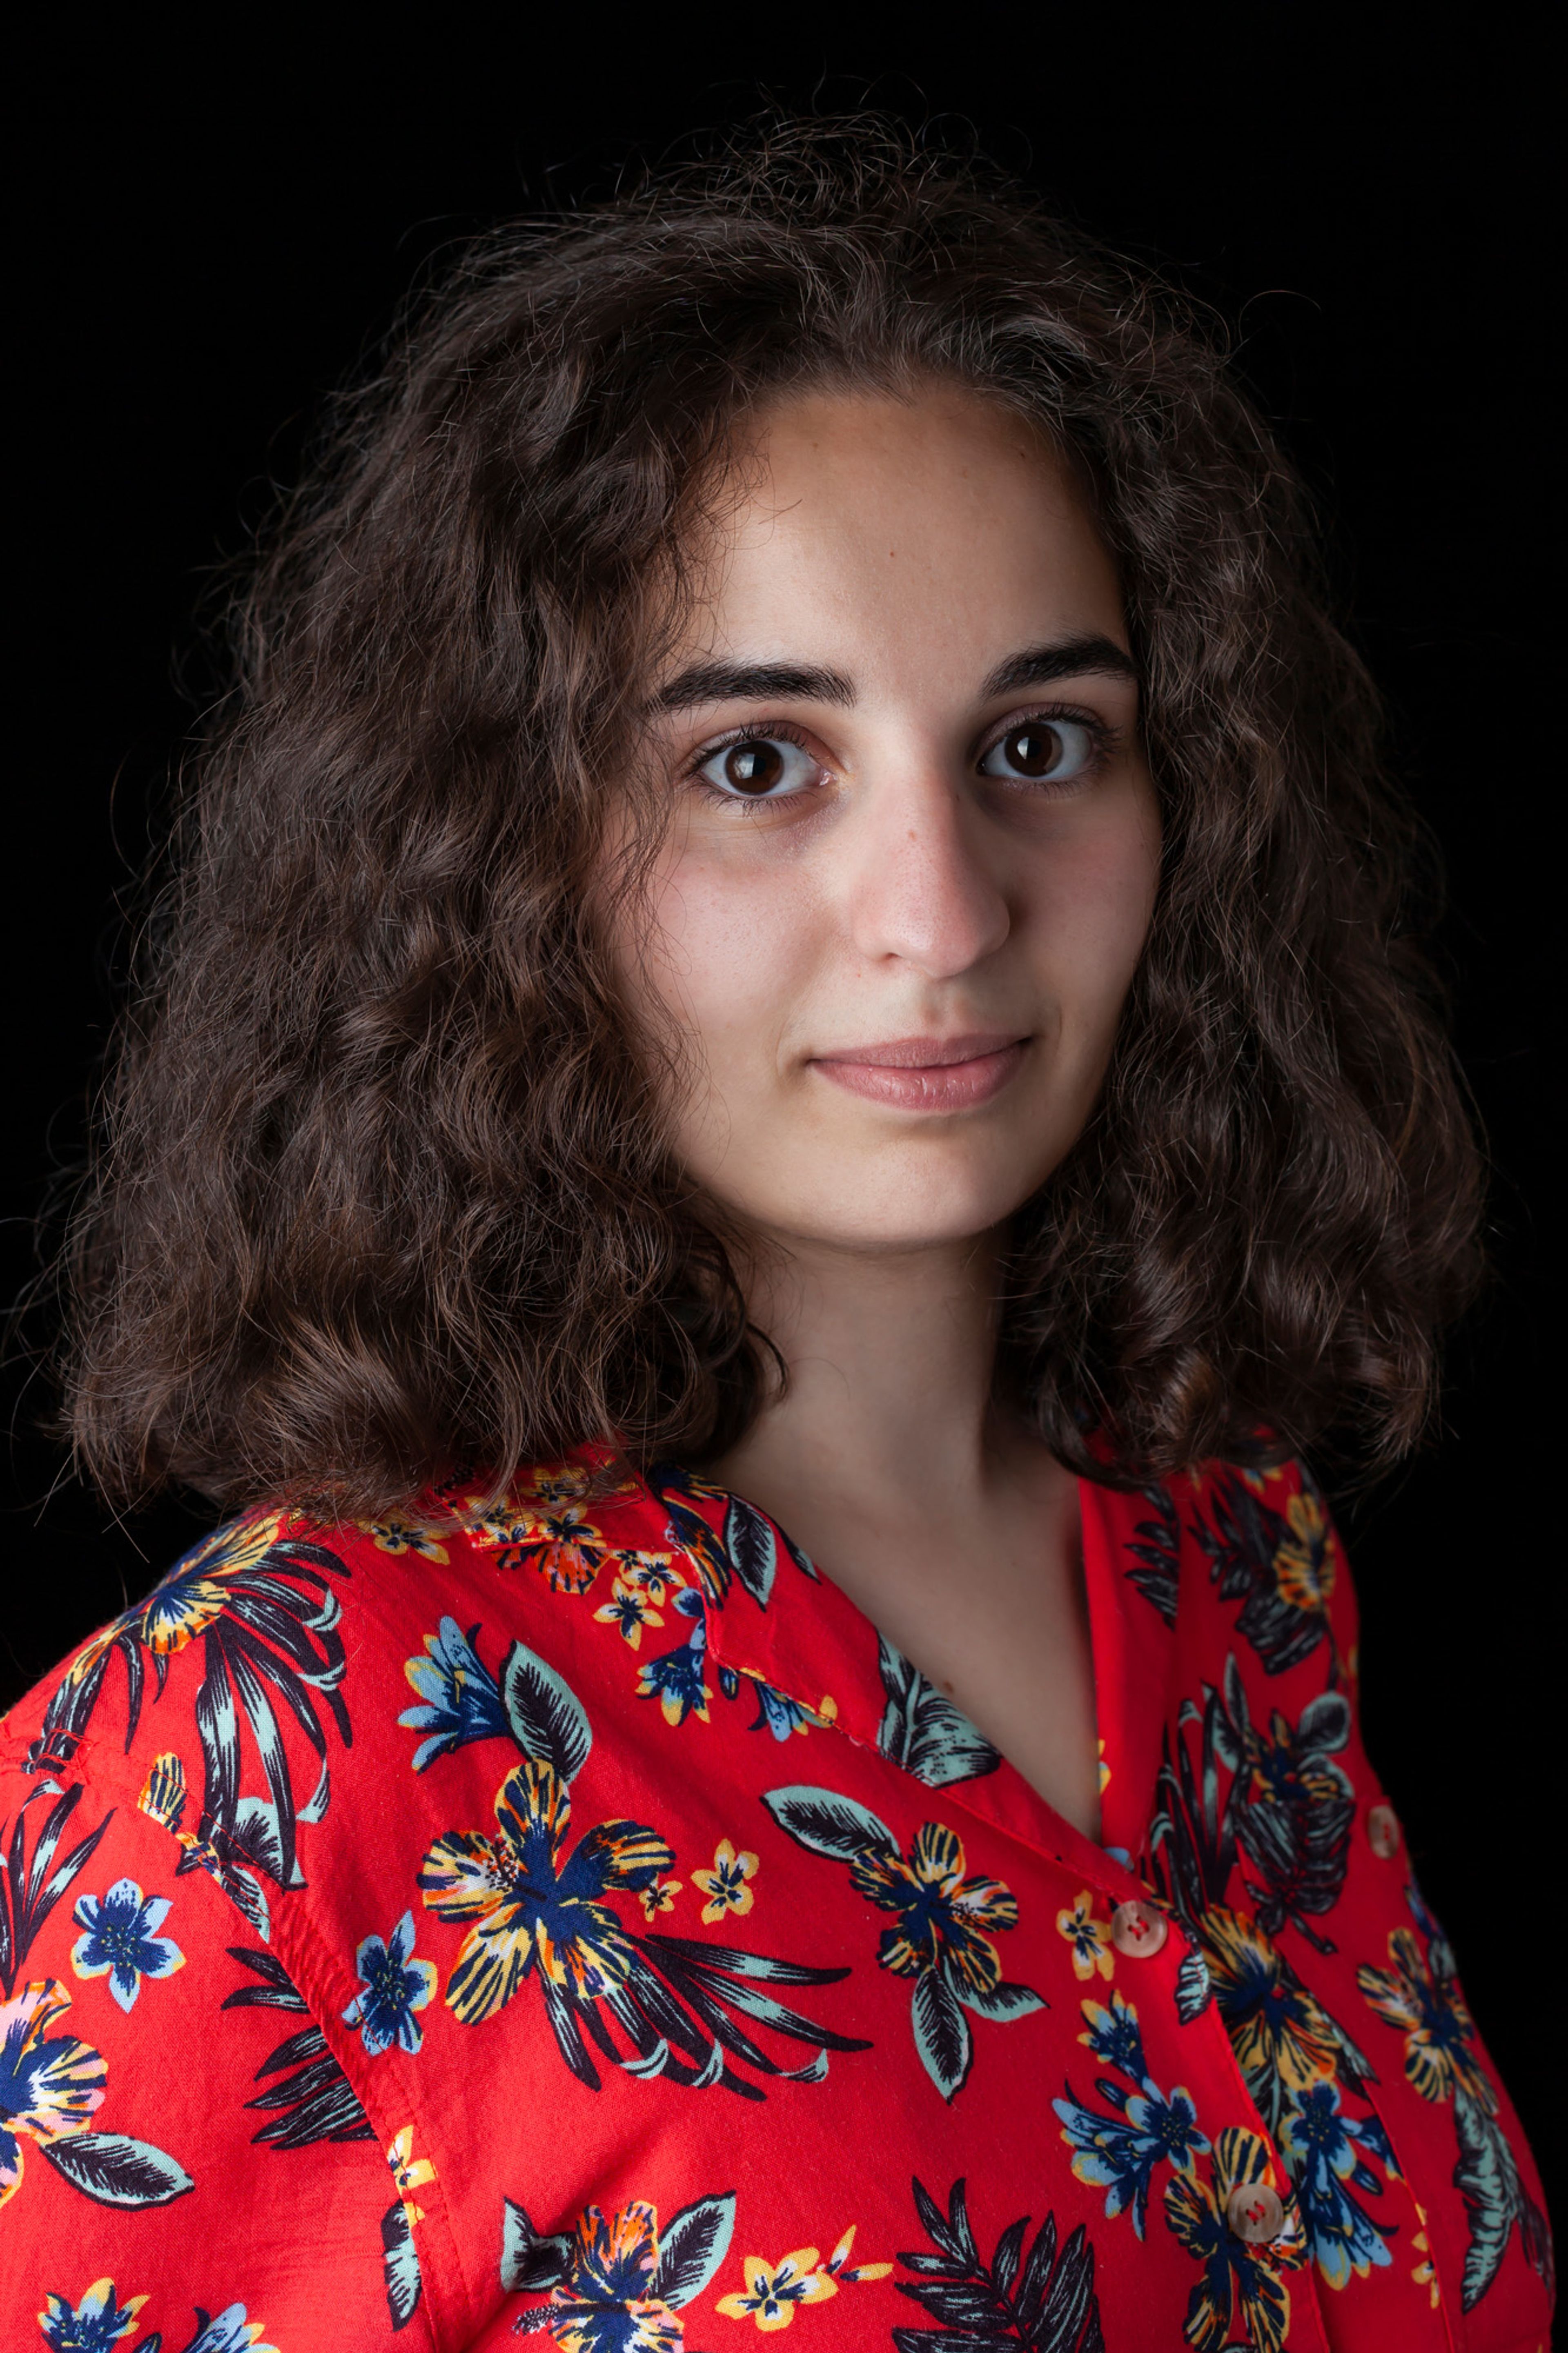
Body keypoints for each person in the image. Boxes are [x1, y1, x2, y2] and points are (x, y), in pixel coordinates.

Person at [1, 123, 1550, 2353]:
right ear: (507, 845)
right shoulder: (287, 1733)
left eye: (1042, 740)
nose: (941, 912)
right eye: (758, 764)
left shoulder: (1237, 1566)